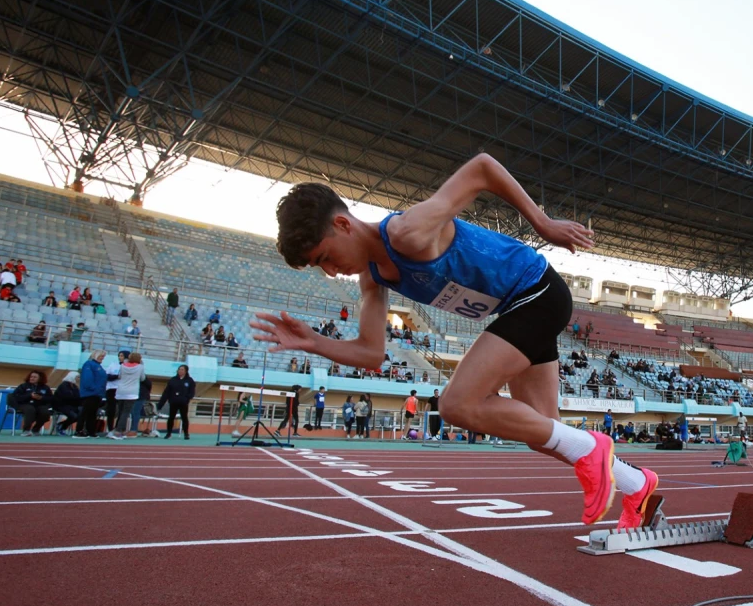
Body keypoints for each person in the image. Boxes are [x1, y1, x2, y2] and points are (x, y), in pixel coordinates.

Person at [256, 160, 657, 528]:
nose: (331, 271)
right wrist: (313, 342)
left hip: (536, 293)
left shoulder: (407, 231)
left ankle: (593, 449)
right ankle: (637, 483)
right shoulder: (373, 276)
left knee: (456, 403)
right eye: (319, 267)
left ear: (343, 225)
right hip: (515, 308)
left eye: (325, 257)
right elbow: (371, 352)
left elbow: (482, 168)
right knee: (543, 434)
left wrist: (543, 223)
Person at [108, 352, 144, 440]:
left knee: (120, 411)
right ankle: (118, 430)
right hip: (132, 392)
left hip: (121, 390)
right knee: (126, 412)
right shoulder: (140, 367)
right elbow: (142, 378)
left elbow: (119, 376)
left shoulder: (123, 365)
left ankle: (121, 430)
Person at [158, 364, 196, 440]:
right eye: (179, 369)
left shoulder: (189, 380)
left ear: (186, 371)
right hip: (173, 402)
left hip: (183, 403)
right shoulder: (173, 380)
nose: (180, 371)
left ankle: (186, 434)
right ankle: (169, 433)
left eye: (182, 369)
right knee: (171, 418)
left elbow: (192, 392)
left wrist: (187, 398)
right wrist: (160, 404)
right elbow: (166, 392)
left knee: (184, 417)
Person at [76, 350, 108, 438]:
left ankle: (90, 430)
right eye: (101, 356)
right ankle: (80, 430)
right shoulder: (89, 364)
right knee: (86, 412)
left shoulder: (98, 366)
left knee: (92, 413)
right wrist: (93, 388)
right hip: (90, 393)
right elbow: (87, 378)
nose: (102, 358)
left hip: (97, 393)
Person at [11, 370, 53, 436]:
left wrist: (41, 398)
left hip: (39, 405)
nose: (32, 378)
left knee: (45, 413)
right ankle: (26, 430)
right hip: (24, 404)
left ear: (40, 378)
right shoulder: (23, 386)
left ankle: (36, 429)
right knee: (30, 409)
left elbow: (50, 398)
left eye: (35, 377)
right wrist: (29, 396)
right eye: (31, 376)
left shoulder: (45, 388)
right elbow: (16, 397)